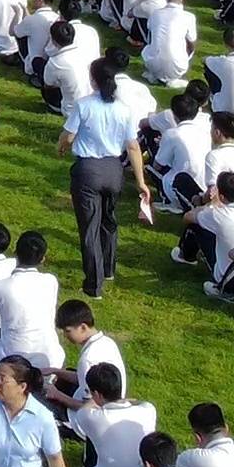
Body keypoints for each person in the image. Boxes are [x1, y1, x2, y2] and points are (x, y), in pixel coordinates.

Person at [61, 59, 152, 298]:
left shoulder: (84, 105)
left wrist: (61, 146)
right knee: (109, 221)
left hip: (88, 171)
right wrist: (141, 181)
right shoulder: (124, 109)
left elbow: (68, 137)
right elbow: (132, 147)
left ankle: (94, 284)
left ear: (92, 80)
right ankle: (109, 268)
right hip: (114, 170)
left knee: (89, 228)